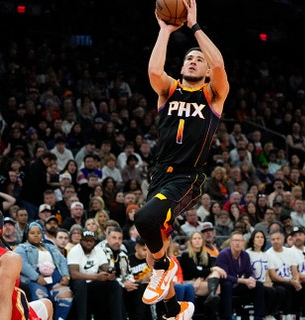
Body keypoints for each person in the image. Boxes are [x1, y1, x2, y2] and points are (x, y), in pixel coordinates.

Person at [133, 1, 229, 318]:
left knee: (145, 221)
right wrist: (164, 30)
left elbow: (219, 66)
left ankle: (166, 266)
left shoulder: (213, 94)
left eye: (198, 59)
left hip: (188, 176)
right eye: (188, 57)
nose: (192, 61)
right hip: (160, 174)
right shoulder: (168, 90)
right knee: (153, 242)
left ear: (205, 70)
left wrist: (194, 27)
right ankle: (175, 309)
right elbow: (153, 71)